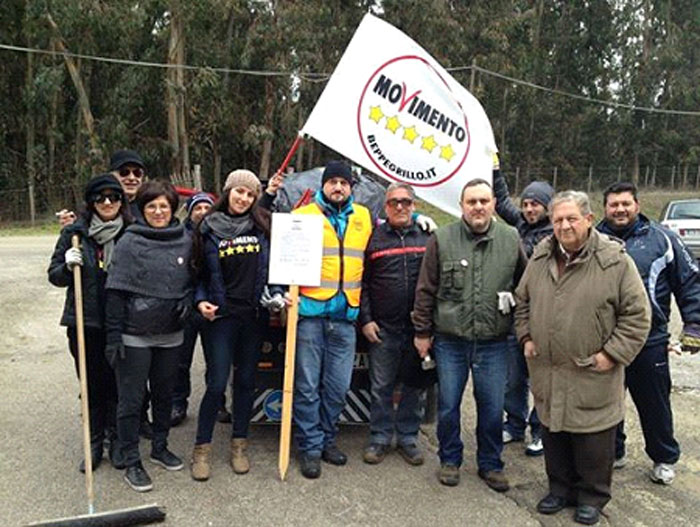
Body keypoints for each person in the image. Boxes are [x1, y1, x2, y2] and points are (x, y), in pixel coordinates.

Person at [514, 190, 651, 525]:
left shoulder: (615, 261)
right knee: (554, 430)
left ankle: (592, 496)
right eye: (558, 219)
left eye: (571, 218)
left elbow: (637, 315)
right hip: (548, 367)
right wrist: (526, 336)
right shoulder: (542, 256)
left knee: (593, 437)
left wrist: (612, 353)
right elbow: (523, 301)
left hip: (593, 368)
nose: (564, 226)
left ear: (589, 220)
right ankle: (559, 489)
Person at [412, 178, 526, 492]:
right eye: (471, 201)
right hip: (450, 340)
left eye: (484, 201)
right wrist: (422, 331)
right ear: (461, 206)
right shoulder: (442, 239)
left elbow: (526, 288)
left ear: (493, 204)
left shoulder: (510, 237)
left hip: (494, 341)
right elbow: (426, 289)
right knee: (448, 405)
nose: (478, 207)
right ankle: (450, 459)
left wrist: (526, 332)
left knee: (491, 406)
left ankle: (491, 463)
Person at [598, 182, 700, 484]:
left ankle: (664, 457)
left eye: (625, 203)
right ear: (604, 208)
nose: (620, 209)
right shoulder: (593, 240)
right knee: (605, 403)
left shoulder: (663, 239)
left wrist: (693, 324)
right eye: (614, 204)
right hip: (604, 340)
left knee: (654, 404)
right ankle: (613, 452)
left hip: (650, 340)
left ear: (637, 205)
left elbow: (690, 281)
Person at [190, 170, 281, 481]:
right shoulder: (207, 228)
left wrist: (279, 294)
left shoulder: (262, 227)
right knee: (216, 383)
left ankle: (239, 444)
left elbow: (277, 267)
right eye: (238, 191)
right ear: (227, 192)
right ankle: (201, 448)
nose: (243, 198)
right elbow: (198, 274)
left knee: (245, 382)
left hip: (253, 317)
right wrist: (200, 301)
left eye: (250, 194)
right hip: (220, 318)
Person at [105, 179, 193, 492]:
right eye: (152, 206)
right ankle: (131, 460)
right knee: (131, 400)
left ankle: (159, 447)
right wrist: (113, 335)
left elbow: (192, 278)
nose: (158, 211)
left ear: (173, 210)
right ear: (142, 209)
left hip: (171, 333)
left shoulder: (184, 239)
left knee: (164, 394)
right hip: (134, 334)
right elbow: (115, 290)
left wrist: (187, 298)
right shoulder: (130, 241)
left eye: (164, 206)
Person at [292, 160, 373, 479]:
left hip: (345, 319)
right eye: (333, 182)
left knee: (338, 388)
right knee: (308, 386)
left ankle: (327, 439)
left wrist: (421, 219)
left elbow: (389, 226)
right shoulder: (302, 217)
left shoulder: (364, 218)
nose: (338, 187)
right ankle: (310, 448)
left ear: (352, 187)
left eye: (344, 182)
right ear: (323, 186)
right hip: (310, 317)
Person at [48, 173, 130, 473]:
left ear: (122, 201)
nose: (107, 202)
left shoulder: (131, 233)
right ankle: (94, 442)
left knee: (118, 385)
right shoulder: (75, 234)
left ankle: (117, 440)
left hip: (121, 324)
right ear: (91, 202)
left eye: (114, 197)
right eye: (100, 197)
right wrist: (68, 266)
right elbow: (54, 275)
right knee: (93, 385)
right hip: (85, 323)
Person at [360, 182, 430, 466]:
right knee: (381, 386)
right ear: (385, 207)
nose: (399, 206)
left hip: (418, 330)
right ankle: (379, 437)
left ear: (413, 206)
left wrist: (430, 326)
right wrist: (366, 320)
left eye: (405, 202)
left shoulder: (428, 237)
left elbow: (435, 282)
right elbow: (361, 283)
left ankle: (408, 438)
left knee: (414, 385)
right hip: (383, 329)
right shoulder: (373, 238)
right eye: (393, 202)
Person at [492, 159, 554, 456]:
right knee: (513, 377)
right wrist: (493, 168)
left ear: (548, 207)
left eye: (536, 205)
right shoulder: (520, 224)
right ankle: (514, 424)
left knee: (539, 379)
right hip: (515, 315)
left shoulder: (557, 233)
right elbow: (501, 201)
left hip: (542, 318)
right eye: (526, 204)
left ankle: (539, 430)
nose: (530, 210)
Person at [170, 192, 215, 427]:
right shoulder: (178, 237)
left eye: (207, 207)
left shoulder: (219, 235)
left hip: (210, 307)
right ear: (190, 212)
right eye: (197, 208)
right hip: (185, 308)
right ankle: (178, 403)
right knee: (180, 360)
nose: (203, 211)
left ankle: (217, 403)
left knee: (215, 359)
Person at [58, 149, 147, 226]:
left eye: (137, 173)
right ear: (111, 175)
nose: (132, 178)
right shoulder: (94, 206)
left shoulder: (150, 207)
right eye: (124, 172)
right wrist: (69, 228)